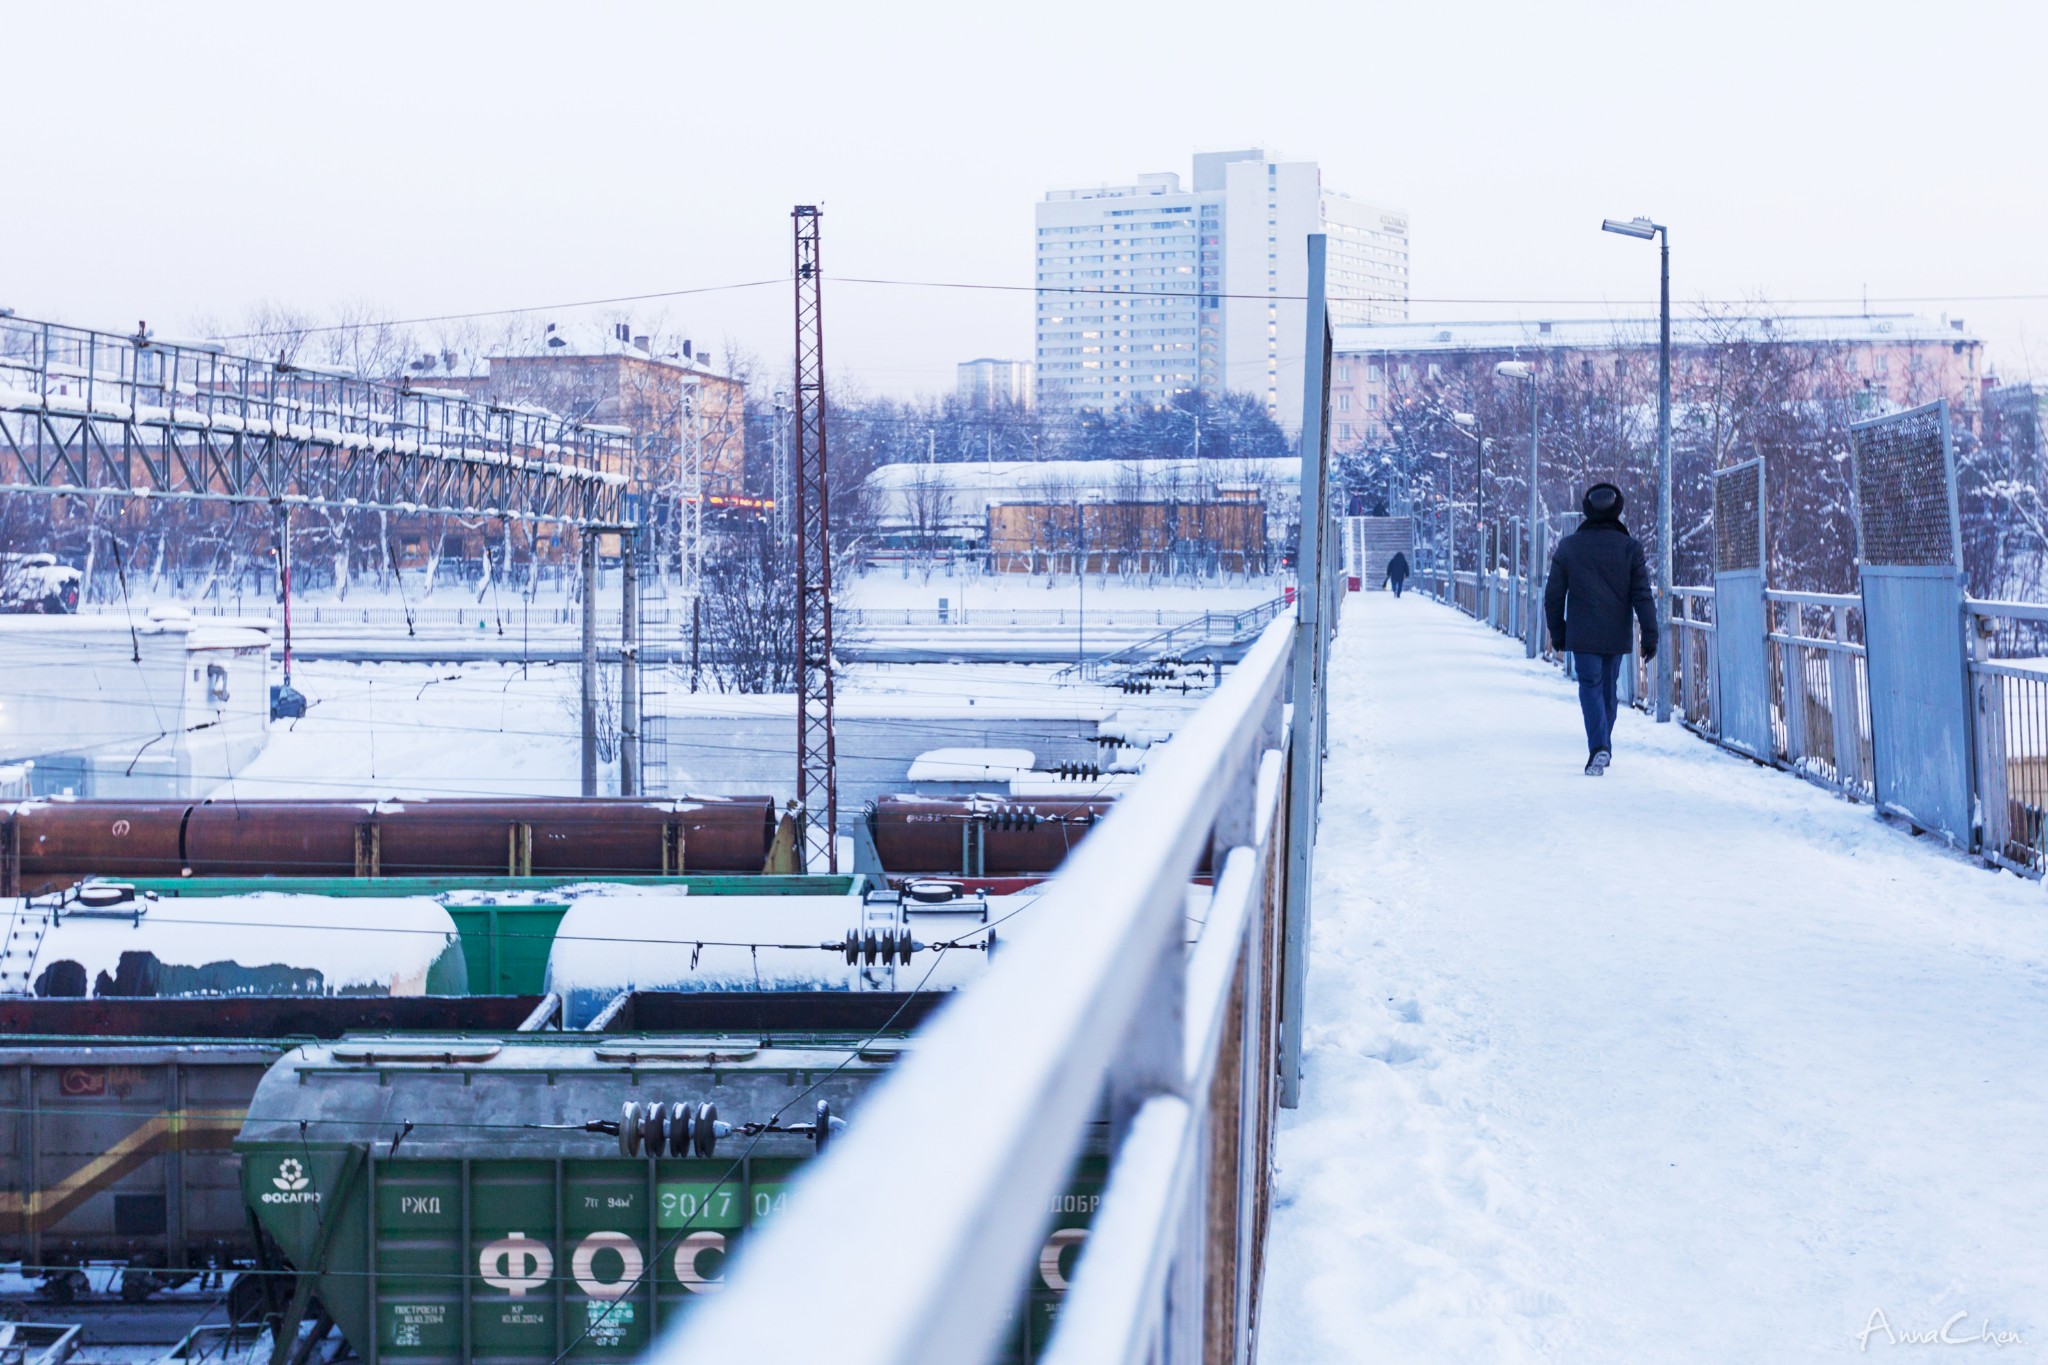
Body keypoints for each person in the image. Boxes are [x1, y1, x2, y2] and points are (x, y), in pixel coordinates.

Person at [1544, 483, 1657, 775]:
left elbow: (1554, 594)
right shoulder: (1630, 549)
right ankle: (1602, 744)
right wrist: (1650, 633)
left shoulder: (1569, 547)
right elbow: (1642, 594)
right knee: (1608, 689)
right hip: (1615, 634)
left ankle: (1599, 746)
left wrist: (1558, 632)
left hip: (1582, 634)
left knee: (1590, 687)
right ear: (1618, 509)